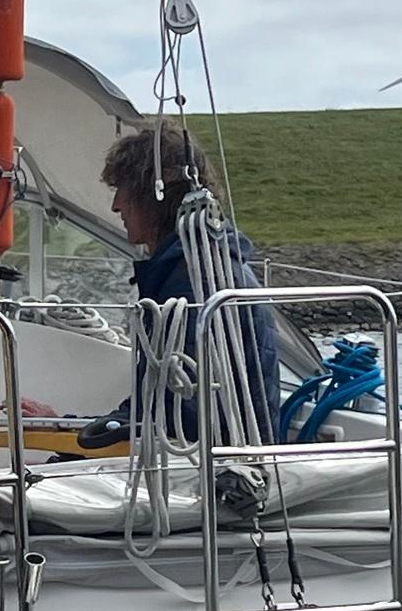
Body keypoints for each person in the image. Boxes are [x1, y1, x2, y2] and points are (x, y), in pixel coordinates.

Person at [83, 120, 281, 445]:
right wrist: (67, 423)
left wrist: (81, 431)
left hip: (206, 465)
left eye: (124, 189)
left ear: (154, 196)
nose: (116, 205)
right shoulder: (203, 265)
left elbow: (181, 415)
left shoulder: (193, 283)